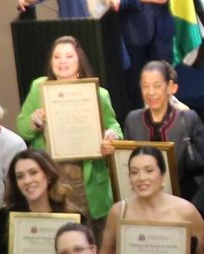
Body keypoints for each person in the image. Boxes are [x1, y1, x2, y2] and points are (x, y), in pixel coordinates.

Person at [16, 36, 127, 220]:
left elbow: (114, 126)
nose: (62, 62)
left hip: (87, 179)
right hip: (51, 176)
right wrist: (33, 121)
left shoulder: (98, 93)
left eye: (69, 56)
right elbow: (22, 127)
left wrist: (112, 136)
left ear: (79, 60)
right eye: (57, 57)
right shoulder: (38, 87)